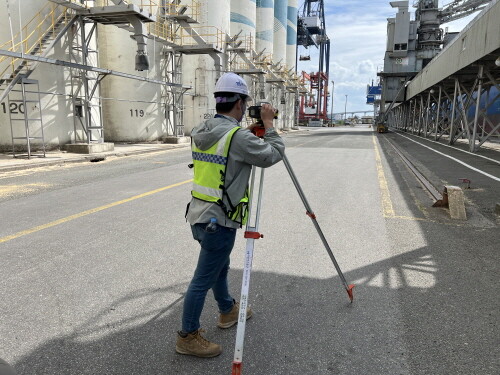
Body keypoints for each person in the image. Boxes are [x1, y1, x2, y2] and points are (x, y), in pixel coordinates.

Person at [176, 72, 285, 358]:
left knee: (218, 268)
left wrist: (246, 132)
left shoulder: (203, 128)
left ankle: (227, 310)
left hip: (199, 215)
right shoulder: (235, 137)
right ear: (239, 103)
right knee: (202, 279)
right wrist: (269, 125)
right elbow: (272, 155)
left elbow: (226, 150)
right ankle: (187, 336)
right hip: (220, 221)